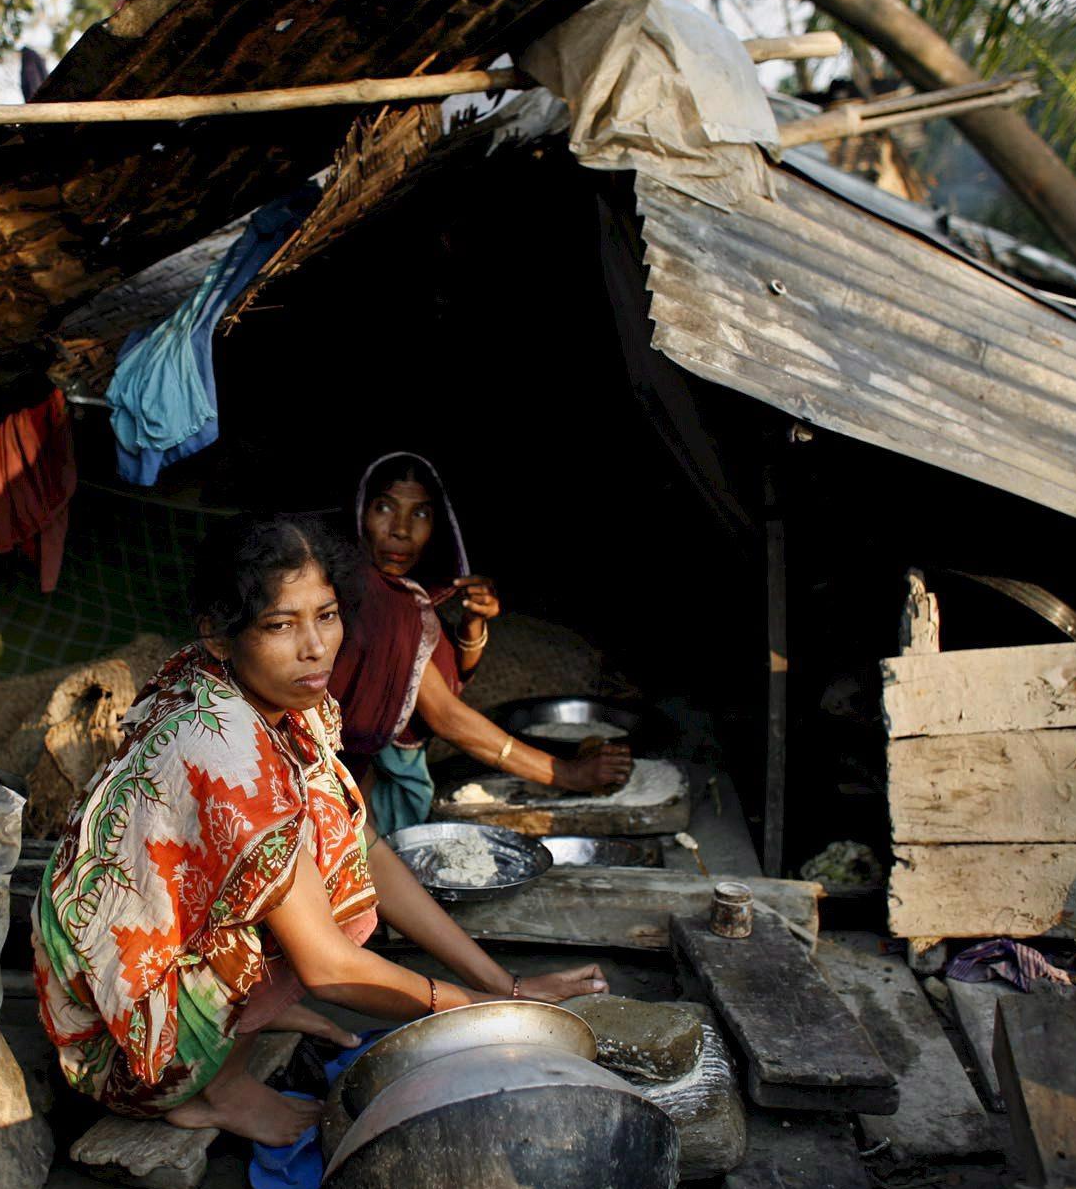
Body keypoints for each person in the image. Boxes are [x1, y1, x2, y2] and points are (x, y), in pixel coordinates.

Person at [31, 515, 609, 1144]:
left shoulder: (281, 701)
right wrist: (494, 1018)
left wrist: (504, 984)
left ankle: (241, 1021)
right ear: (220, 635)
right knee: (279, 905)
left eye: (326, 615)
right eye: (281, 624)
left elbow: (365, 849)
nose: (315, 647)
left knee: (324, 834)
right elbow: (330, 969)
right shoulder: (224, 747)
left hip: (127, 962)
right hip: (111, 1041)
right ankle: (213, 1092)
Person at [330, 452, 632, 833]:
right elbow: (445, 715)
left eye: (420, 513)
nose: (401, 530)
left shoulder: (403, 594)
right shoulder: (375, 598)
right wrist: (566, 773)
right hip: (346, 792)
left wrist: (472, 625)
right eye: (384, 508)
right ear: (359, 513)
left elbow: (434, 679)